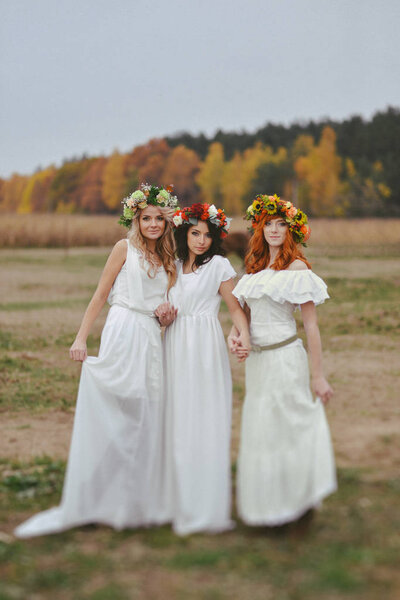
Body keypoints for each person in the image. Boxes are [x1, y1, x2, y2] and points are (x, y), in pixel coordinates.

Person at [15, 184, 178, 538]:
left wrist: (165, 318)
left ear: (167, 224)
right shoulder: (124, 249)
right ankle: (98, 490)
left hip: (151, 337)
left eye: (158, 220)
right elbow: (101, 295)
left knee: (146, 410)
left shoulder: (169, 261)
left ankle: (137, 496)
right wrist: (80, 337)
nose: (152, 224)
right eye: (146, 218)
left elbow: (166, 309)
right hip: (122, 330)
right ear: (136, 219)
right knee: (118, 406)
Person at [229, 194, 337, 526]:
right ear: (258, 230)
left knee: (289, 425)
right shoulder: (253, 269)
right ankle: (265, 505)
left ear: (291, 230)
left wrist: (317, 376)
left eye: (280, 225)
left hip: (287, 357)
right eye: (268, 225)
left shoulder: (297, 268)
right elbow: (244, 319)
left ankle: (298, 501)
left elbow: (312, 326)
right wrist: (236, 338)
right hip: (260, 364)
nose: (274, 231)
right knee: (263, 429)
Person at [157, 203, 251, 536]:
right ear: (184, 233)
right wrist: (162, 317)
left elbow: (235, 309)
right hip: (175, 342)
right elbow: (162, 306)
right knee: (176, 416)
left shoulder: (220, 266)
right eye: (195, 233)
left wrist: (243, 334)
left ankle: (206, 503)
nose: (201, 240)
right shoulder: (172, 265)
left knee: (204, 415)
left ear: (215, 238)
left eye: (207, 235)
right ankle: (173, 499)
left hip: (205, 345)